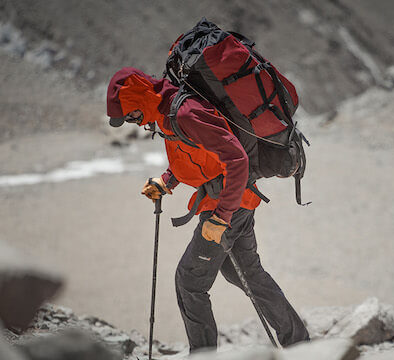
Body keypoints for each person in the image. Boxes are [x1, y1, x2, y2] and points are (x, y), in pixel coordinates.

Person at [105, 67, 310, 351]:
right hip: (234, 199)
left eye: (132, 115)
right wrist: (167, 181)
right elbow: (195, 153)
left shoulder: (186, 113)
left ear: (140, 98)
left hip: (228, 204)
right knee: (245, 273)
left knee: (189, 281)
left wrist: (221, 218)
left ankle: (203, 356)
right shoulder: (166, 112)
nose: (136, 123)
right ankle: (301, 345)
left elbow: (236, 160)